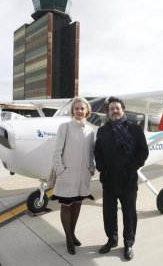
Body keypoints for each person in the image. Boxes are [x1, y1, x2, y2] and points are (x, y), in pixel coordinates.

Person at [94, 96, 149, 261]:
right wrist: (101, 167)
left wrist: (131, 169)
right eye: (111, 109)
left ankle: (128, 243)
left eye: (117, 108)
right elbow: (98, 153)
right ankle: (112, 239)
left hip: (128, 180)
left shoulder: (135, 129)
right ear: (108, 112)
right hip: (109, 179)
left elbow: (143, 152)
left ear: (123, 110)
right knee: (109, 213)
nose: (114, 111)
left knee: (129, 213)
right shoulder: (103, 131)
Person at [50, 97, 95, 255]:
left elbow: (90, 153)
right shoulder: (65, 127)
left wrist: (91, 168)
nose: (79, 111)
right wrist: (60, 170)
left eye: (82, 108)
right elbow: (57, 152)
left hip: (83, 176)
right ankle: (69, 238)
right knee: (66, 206)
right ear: (73, 111)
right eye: (76, 108)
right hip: (67, 175)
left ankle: (72, 233)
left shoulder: (90, 130)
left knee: (77, 205)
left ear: (87, 111)